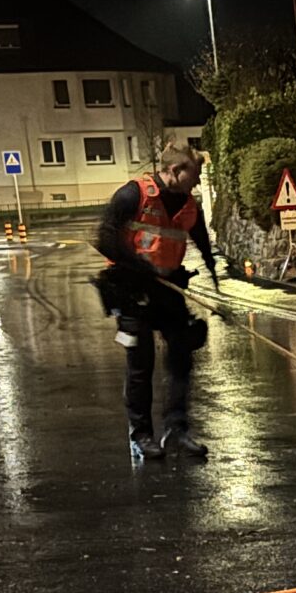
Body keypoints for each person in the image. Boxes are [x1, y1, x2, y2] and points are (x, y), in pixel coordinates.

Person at [93, 140, 222, 463]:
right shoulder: (133, 195)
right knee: (141, 363)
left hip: (167, 288)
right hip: (131, 289)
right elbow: (105, 239)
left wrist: (216, 284)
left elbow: (202, 242)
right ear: (174, 170)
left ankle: (176, 431)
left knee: (181, 357)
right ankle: (141, 436)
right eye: (192, 175)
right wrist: (140, 268)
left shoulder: (188, 204)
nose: (196, 182)